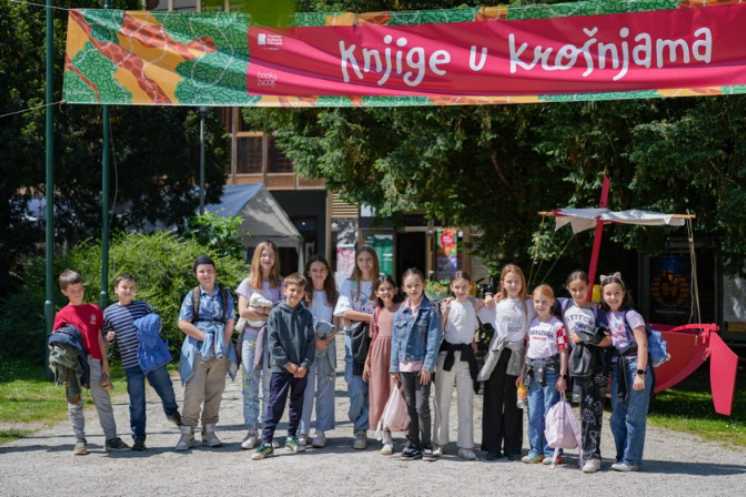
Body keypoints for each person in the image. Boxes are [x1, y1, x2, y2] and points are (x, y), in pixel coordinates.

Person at [52, 269, 129, 455]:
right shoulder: (62, 314)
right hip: (72, 363)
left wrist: (105, 367)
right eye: (73, 291)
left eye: (80, 289)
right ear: (64, 291)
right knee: (74, 401)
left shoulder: (94, 310)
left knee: (102, 400)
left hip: (94, 360)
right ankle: (80, 441)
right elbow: (56, 342)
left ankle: (111, 439)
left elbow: (100, 339)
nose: (77, 293)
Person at [103, 274, 180, 451]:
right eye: (124, 287)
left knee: (166, 390)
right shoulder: (108, 313)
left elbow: (157, 324)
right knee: (136, 402)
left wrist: (153, 327)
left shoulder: (143, 306)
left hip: (152, 359)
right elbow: (105, 337)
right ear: (116, 290)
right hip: (131, 363)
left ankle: (171, 411)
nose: (128, 290)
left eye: (131, 288)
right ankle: (139, 438)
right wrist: (108, 337)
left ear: (136, 291)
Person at [252, 273, 315, 460]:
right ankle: (266, 442)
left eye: (299, 291)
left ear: (303, 293)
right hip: (281, 368)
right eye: (292, 290)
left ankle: (292, 436)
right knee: (275, 404)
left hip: (301, 368)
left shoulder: (306, 315)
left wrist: (304, 365)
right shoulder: (276, 313)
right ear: (285, 290)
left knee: (297, 403)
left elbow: (310, 343)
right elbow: (273, 342)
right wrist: (287, 364)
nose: (295, 294)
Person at [176, 255, 236, 450]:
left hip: (220, 350)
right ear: (196, 274)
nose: (206, 274)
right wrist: (205, 338)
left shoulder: (225, 295)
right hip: (197, 348)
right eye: (201, 271)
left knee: (215, 391)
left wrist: (222, 345)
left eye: (209, 270)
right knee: (194, 392)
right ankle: (187, 433)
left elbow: (230, 322)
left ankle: (209, 432)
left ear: (215, 272)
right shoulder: (192, 295)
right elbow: (183, 323)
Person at [477, 264, 533, 461]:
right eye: (509, 281)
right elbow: (478, 311)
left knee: (514, 400)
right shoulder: (497, 303)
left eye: (517, 281)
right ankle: (491, 445)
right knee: (493, 399)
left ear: (522, 283)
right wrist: (486, 298)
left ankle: (513, 446)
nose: (513, 285)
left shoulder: (529, 304)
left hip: (518, 354)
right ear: (503, 283)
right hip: (498, 353)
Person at [600, 272, 652, 472]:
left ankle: (632, 459)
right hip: (618, 367)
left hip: (634, 365)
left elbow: (642, 344)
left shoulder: (632, 315)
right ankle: (621, 455)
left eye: (616, 293)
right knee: (617, 417)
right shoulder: (607, 316)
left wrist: (640, 373)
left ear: (624, 294)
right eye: (608, 293)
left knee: (634, 416)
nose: (612, 297)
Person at [560, 270, 611, 473]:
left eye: (581, 289)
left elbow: (608, 339)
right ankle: (574, 450)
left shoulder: (597, 310)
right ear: (568, 289)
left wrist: (585, 337)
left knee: (592, 409)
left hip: (595, 366)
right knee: (575, 408)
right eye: (574, 289)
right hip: (573, 364)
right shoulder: (564, 306)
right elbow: (538, 298)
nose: (578, 293)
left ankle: (593, 455)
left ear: (588, 287)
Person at [390, 268, 442, 461]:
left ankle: (427, 444)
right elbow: (396, 342)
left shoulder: (431, 311)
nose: (413, 289)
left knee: (422, 406)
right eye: (409, 286)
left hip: (422, 368)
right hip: (404, 367)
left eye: (417, 285)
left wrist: (428, 366)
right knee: (410, 406)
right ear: (404, 288)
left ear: (423, 285)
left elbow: (433, 340)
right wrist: (394, 368)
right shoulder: (400, 312)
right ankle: (412, 443)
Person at [235, 241, 283, 450]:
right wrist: (267, 313)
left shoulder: (280, 284)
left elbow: (282, 312)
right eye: (263, 254)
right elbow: (243, 312)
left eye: (271, 255)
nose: (267, 258)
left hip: (272, 339)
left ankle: (267, 431)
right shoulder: (247, 283)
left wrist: (262, 312)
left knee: (270, 386)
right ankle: (252, 430)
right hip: (250, 339)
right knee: (250, 384)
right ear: (257, 257)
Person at [333, 246, 379, 449]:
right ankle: (357, 419)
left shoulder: (381, 282)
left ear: (375, 261)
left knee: (374, 388)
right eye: (361, 260)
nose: (365, 263)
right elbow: (343, 311)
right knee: (357, 388)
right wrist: (372, 317)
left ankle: (362, 429)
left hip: (377, 341)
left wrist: (357, 316)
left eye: (369, 259)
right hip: (354, 342)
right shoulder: (349, 284)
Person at [433, 271, 481, 460]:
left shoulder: (473, 305)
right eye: (457, 287)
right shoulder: (446, 304)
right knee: (442, 398)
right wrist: (444, 313)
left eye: (464, 287)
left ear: (470, 287)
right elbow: (439, 329)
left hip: (466, 355)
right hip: (447, 354)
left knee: (466, 399)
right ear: (452, 287)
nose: (461, 290)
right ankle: (439, 441)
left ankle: (466, 444)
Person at [521, 284, 568, 464]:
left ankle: (552, 451)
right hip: (533, 371)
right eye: (537, 301)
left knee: (551, 412)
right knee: (534, 412)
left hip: (551, 371)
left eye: (544, 302)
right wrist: (523, 372)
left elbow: (563, 351)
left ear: (552, 302)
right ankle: (536, 450)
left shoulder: (557, 325)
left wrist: (562, 375)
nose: (540, 305)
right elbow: (528, 348)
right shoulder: (532, 323)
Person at [299, 256, 338, 449]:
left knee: (325, 388)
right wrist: (314, 341)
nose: (318, 273)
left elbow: (338, 322)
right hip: (307, 344)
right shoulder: (303, 294)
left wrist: (327, 340)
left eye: (322, 270)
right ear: (308, 272)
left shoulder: (334, 295)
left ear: (327, 272)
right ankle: (303, 430)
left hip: (327, 343)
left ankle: (321, 430)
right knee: (305, 389)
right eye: (314, 270)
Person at [363, 275, 401, 455]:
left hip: (397, 354)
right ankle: (386, 436)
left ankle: (407, 432)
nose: (386, 292)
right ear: (377, 293)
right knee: (380, 393)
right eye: (382, 289)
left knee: (398, 393)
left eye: (389, 288)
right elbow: (373, 339)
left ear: (395, 290)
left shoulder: (402, 309)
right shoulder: (376, 312)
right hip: (378, 355)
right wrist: (367, 362)